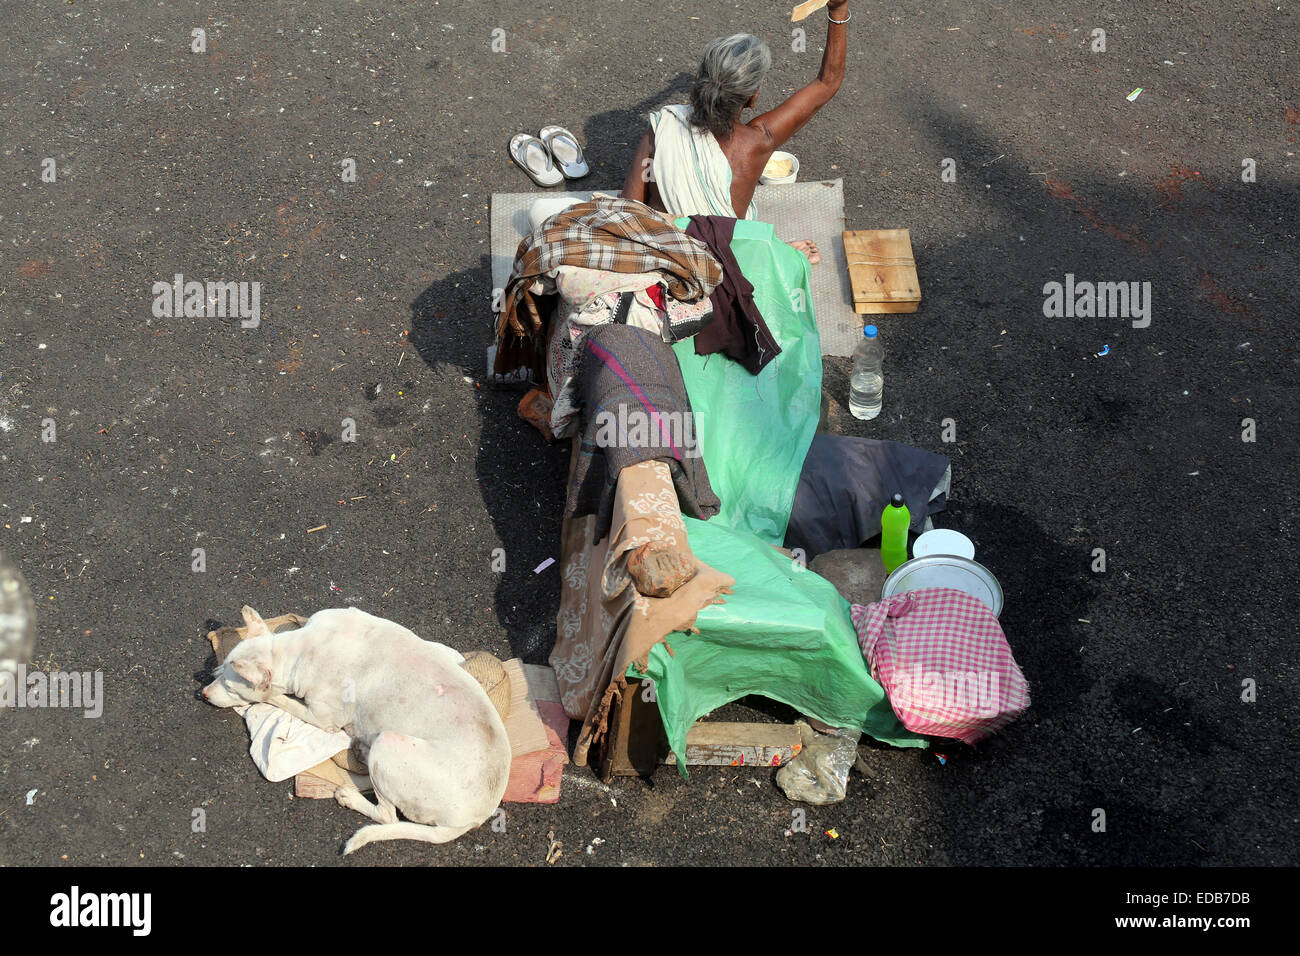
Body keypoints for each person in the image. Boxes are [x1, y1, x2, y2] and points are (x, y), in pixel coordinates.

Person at [621, 0, 851, 263]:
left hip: (660, 260)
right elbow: (827, 82)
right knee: (760, 249)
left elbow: (629, 214)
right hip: (724, 268)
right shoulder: (758, 142)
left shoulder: (663, 127)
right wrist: (837, 10)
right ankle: (777, 255)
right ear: (752, 98)